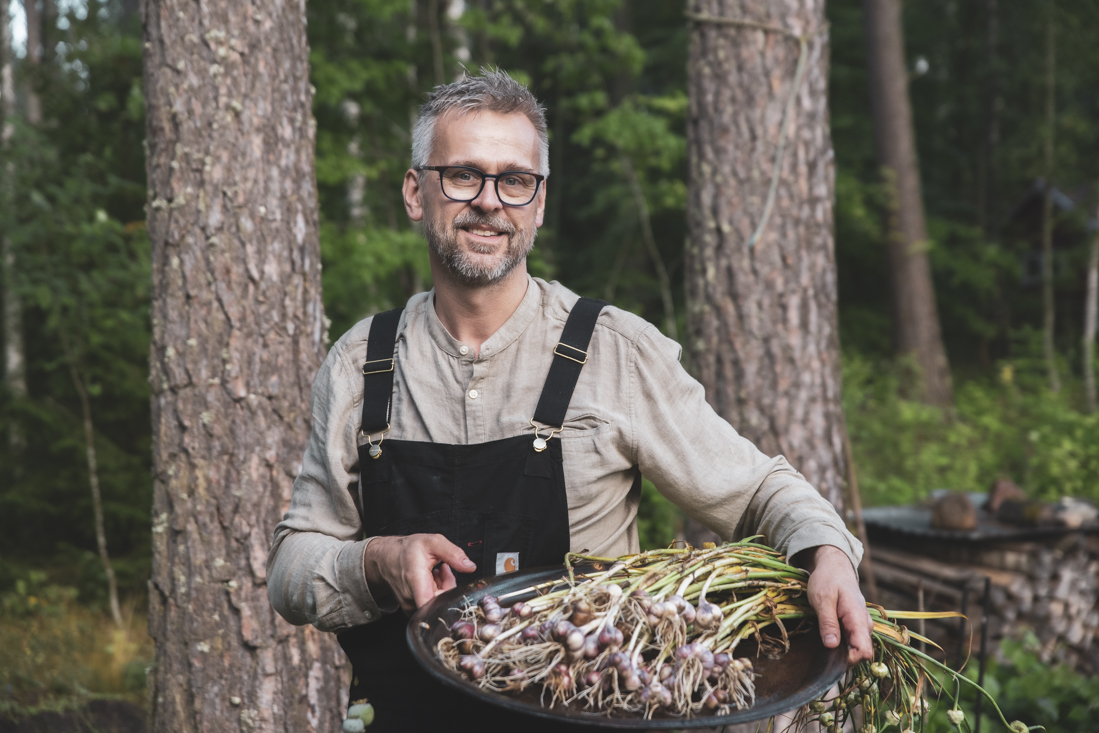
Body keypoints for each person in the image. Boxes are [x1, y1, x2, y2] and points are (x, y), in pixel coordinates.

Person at [267, 69, 870, 730]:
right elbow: (293, 563)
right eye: (462, 175)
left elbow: (757, 491)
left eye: (514, 180)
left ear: (540, 203)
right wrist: (374, 562)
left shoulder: (615, 353)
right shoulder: (361, 364)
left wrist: (827, 555)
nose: (489, 201)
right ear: (416, 192)